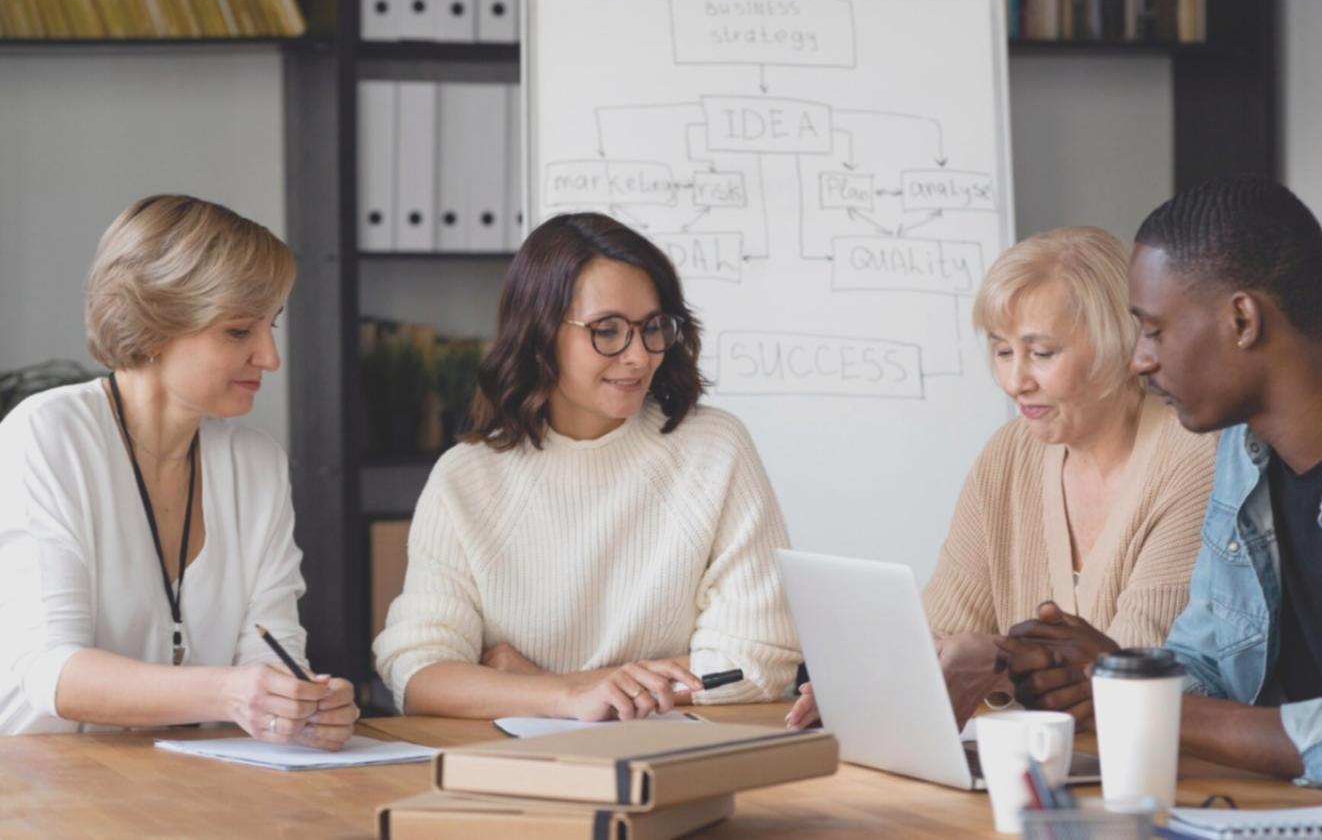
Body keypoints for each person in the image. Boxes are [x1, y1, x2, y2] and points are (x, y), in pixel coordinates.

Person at [1010, 178, 1322, 817]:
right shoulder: (1243, 449)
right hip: (1294, 819)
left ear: (1243, 320)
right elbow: (1210, 664)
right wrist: (1112, 677)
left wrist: (1154, 702)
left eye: (1154, 331)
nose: (1139, 360)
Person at [373, 212, 800, 721]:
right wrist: (569, 698)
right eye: (608, 331)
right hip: (519, 770)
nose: (639, 356)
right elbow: (419, 673)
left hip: (675, 758)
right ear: (540, 333)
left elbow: (758, 660)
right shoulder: (466, 477)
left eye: (652, 328)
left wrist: (542, 684)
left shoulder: (714, 448)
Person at [787, 226, 1217, 729]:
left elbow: (1130, 672)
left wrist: (992, 659)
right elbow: (942, 629)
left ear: (1119, 345)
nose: (1015, 382)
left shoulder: (1193, 459)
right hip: (1040, 766)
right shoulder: (1008, 453)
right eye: (1003, 350)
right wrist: (880, 677)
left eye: (1042, 352)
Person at [0, 195, 358, 748]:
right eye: (239, 331)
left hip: (193, 783)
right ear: (152, 326)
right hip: (40, 787)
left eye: (272, 327)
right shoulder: (49, 435)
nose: (270, 356)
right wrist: (232, 693)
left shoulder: (256, 463)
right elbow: (54, 671)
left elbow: (271, 653)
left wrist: (302, 704)